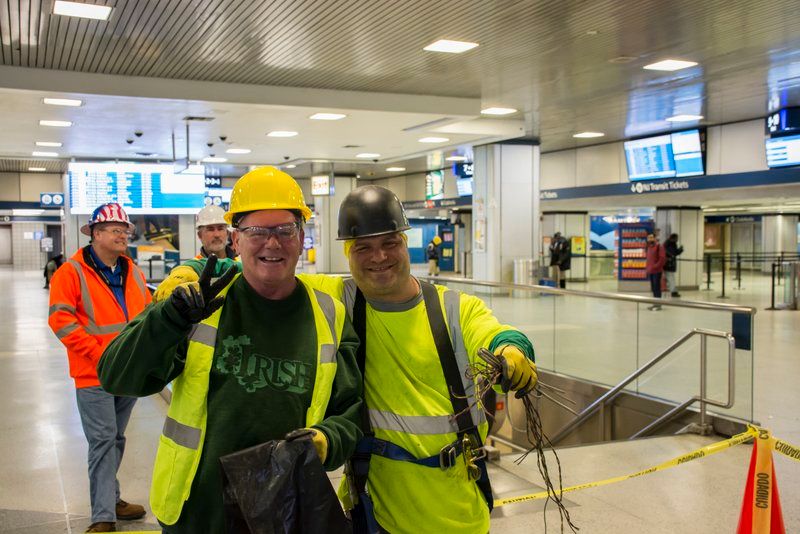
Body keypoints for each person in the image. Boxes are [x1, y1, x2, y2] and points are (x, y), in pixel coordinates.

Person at [165, 184, 537, 534]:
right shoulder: (336, 299)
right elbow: (260, 268)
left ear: (404, 243)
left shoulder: (453, 308)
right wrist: (192, 271)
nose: (379, 257)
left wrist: (513, 350)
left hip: (456, 509)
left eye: (389, 243)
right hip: (374, 509)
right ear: (348, 253)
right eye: (363, 248)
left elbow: (496, 334)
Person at [97, 166, 363, 534]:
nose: (273, 243)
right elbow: (116, 375)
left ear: (302, 238)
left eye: (285, 230)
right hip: (197, 511)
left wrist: (324, 441)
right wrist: (168, 318)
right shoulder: (200, 304)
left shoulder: (329, 317)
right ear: (236, 241)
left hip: (284, 514)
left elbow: (351, 414)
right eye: (257, 232)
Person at [48, 202, 152, 533]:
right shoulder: (71, 272)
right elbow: (60, 319)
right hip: (93, 373)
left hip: (128, 373)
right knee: (104, 439)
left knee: (117, 438)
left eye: (126, 230)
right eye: (115, 230)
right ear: (95, 233)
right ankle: (103, 515)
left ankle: (112, 496)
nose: (124, 235)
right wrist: (97, 354)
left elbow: (145, 317)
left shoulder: (133, 270)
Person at [645, 232, 666, 310]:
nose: (650, 239)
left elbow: (662, 259)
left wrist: (655, 266)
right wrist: (648, 268)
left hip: (657, 271)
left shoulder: (659, 247)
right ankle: (655, 303)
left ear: (654, 238)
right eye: (648, 238)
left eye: (651, 237)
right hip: (651, 271)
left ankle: (658, 305)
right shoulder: (649, 247)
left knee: (657, 288)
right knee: (653, 288)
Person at [664, 233, 684, 298]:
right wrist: (677, 252)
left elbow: (674, 253)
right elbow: (671, 253)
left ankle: (673, 291)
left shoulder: (671, 244)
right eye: (676, 238)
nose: (677, 240)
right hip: (668, 264)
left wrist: (680, 250)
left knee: (671, 278)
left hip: (670, 264)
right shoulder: (668, 244)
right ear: (673, 238)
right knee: (671, 278)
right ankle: (673, 292)